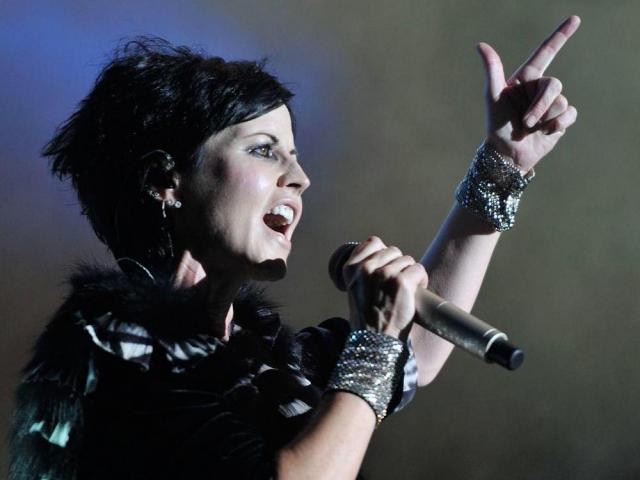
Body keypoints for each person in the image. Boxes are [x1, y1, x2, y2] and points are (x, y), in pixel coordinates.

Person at [10, 15, 580, 480]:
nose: (300, 178)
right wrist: (374, 341)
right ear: (166, 180)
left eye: (296, 155)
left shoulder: (264, 360)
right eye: (264, 150)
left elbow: (417, 354)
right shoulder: (111, 343)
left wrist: (503, 166)